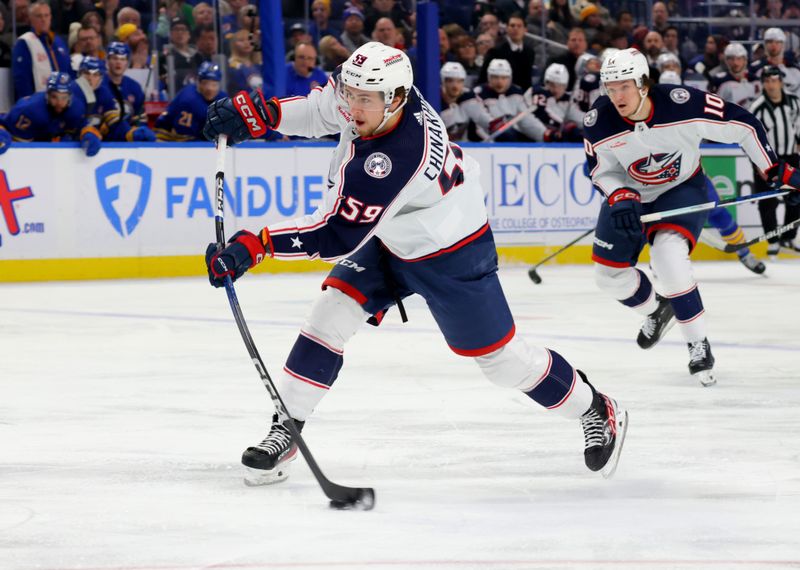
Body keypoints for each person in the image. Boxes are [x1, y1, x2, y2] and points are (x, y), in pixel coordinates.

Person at [201, 42, 628, 485]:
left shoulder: (398, 157)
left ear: (398, 99)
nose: (353, 104)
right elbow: (321, 109)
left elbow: (335, 233)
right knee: (328, 315)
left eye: (364, 99)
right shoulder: (375, 93)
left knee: (502, 363)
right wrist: (262, 114)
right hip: (390, 235)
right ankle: (286, 428)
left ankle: (596, 407)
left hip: (451, 248)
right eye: (350, 92)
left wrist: (256, 245)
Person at [582, 48, 799, 386]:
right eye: (610, 88)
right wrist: (618, 194)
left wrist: (772, 167)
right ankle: (656, 309)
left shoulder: (684, 104)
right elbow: (599, 169)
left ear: (642, 84)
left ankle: (698, 343)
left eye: (623, 87)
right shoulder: (599, 121)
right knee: (607, 276)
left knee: (668, 256)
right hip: (631, 195)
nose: (616, 96)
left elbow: (742, 123)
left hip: (681, 187)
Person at [749, 65, 800, 254]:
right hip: (767, 161)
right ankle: (772, 241)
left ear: (781, 81)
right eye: (767, 81)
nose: (771, 85)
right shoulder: (757, 107)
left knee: (796, 199)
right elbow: (749, 137)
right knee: (767, 202)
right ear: (763, 83)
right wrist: (758, 166)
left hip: (791, 157)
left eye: (774, 80)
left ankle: (789, 237)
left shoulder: (795, 102)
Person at [0, 71, 98, 156]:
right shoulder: (30, 110)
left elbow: (83, 126)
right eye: (54, 97)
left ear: (70, 97)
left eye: (64, 98)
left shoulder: (76, 108)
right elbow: (15, 140)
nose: (59, 103)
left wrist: (88, 134)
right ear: (47, 95)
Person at [11, 0, 71, 101]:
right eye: (39, 16)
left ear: (50, 17)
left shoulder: (58, 41)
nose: (43, 19)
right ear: (30, 18)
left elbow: (69, 72)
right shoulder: (25, 42)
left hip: (64, 101)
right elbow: (22, 79)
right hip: (38, 102)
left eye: (46, 15)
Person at [155, 61, 225, 141]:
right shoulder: (189, 101)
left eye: (214, 84)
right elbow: (184, 138)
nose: (210, 88)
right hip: (168, 138)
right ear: (198, 82)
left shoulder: (222, 98)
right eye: (205, 83)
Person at [102, 42, 155, 142]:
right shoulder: (100, 85)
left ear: (127, 63)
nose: (118, 63)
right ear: (107, 61)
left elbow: (140, 118)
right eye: (114, 58)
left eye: (122, 59)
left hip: (128, 142)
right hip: (104, 141)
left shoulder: (134, 87)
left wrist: (139, 131)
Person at [522, 62, 585, 142]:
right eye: (552, 85)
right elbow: (542, 115)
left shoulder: (567, 100)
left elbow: (579, 118)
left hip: (550, 137)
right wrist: (563, 126)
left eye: (560, 85)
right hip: (527, 135)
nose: (556, 89)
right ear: (545, 83)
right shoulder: (537, 93)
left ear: (566, 86)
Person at [439, 61, 488, 142]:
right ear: (443, 82)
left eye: (459, 81)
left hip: (467, 148)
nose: (455, 85)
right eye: (450, 81)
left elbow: (486, 121)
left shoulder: (470, 98)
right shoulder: (434, 100)